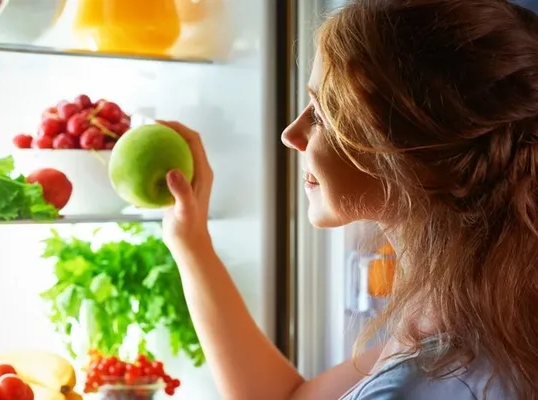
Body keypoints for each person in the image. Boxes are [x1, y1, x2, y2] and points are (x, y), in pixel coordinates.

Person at [156, 0, 538, 398]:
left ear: (410, 149)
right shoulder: (472, 320)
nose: (292, 133)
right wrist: (192, 244)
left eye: (320, 114)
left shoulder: (420, 380)